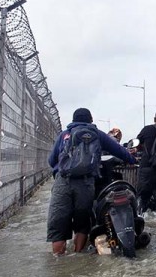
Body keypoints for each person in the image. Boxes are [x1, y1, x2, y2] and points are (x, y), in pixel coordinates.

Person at [47, 108, 136, 255]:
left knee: (58, 225)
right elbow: (119, 150)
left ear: (73, 120)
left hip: (63, 182)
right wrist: (132, 159)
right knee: (82, 224)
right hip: (86, 183)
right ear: (91, 120)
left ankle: (59, 259)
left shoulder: (64, 135)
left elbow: (51, 161)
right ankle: (77, 254)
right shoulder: (97, 135)